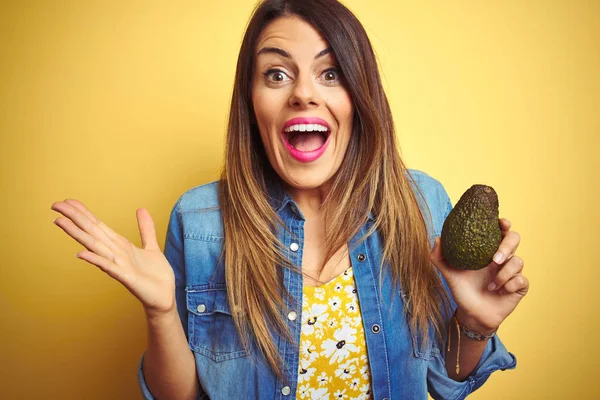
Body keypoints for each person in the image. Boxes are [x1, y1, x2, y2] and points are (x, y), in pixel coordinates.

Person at [50, 0, 529, 399]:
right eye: (276, 74)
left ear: (360, 97)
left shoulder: (422, 203)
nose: (302, 93)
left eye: (331, 73)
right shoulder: (199, 222)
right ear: (252, 101)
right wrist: (160, 313)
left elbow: (444, 382)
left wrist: (475, 325)